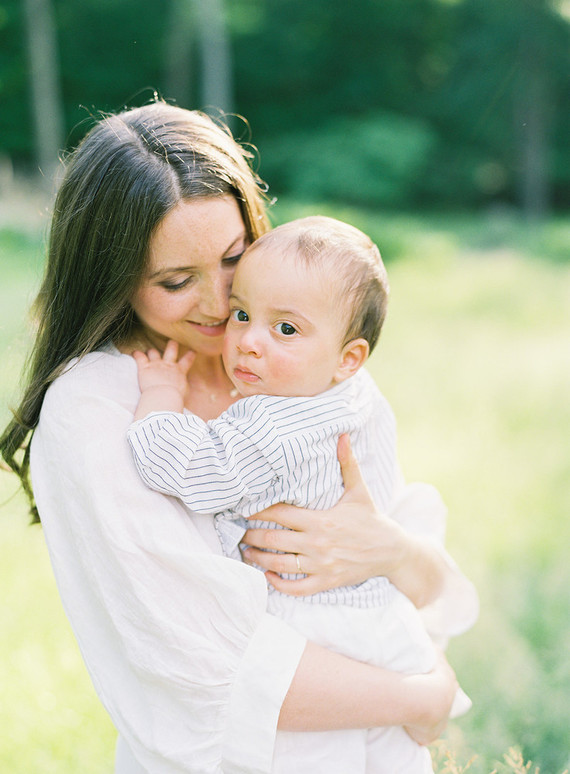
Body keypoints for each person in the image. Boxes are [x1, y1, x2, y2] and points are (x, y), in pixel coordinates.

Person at [0, 101, 478, 774]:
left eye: (233, 258)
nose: (222, 303)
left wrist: (391, 550)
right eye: (174, 281)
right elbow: (202, 666)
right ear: (111, 278)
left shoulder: (282, 359)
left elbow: (426, 588)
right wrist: (422, 696)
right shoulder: (94, 407)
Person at [127, 216, 471, 773]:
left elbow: (192, 470)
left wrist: (161, 398)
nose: (248, 342)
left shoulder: (272, 422)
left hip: (315, 633)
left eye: (285, 330)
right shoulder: (356, 393)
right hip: (386, 625)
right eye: (243, 315)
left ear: (347, 357)